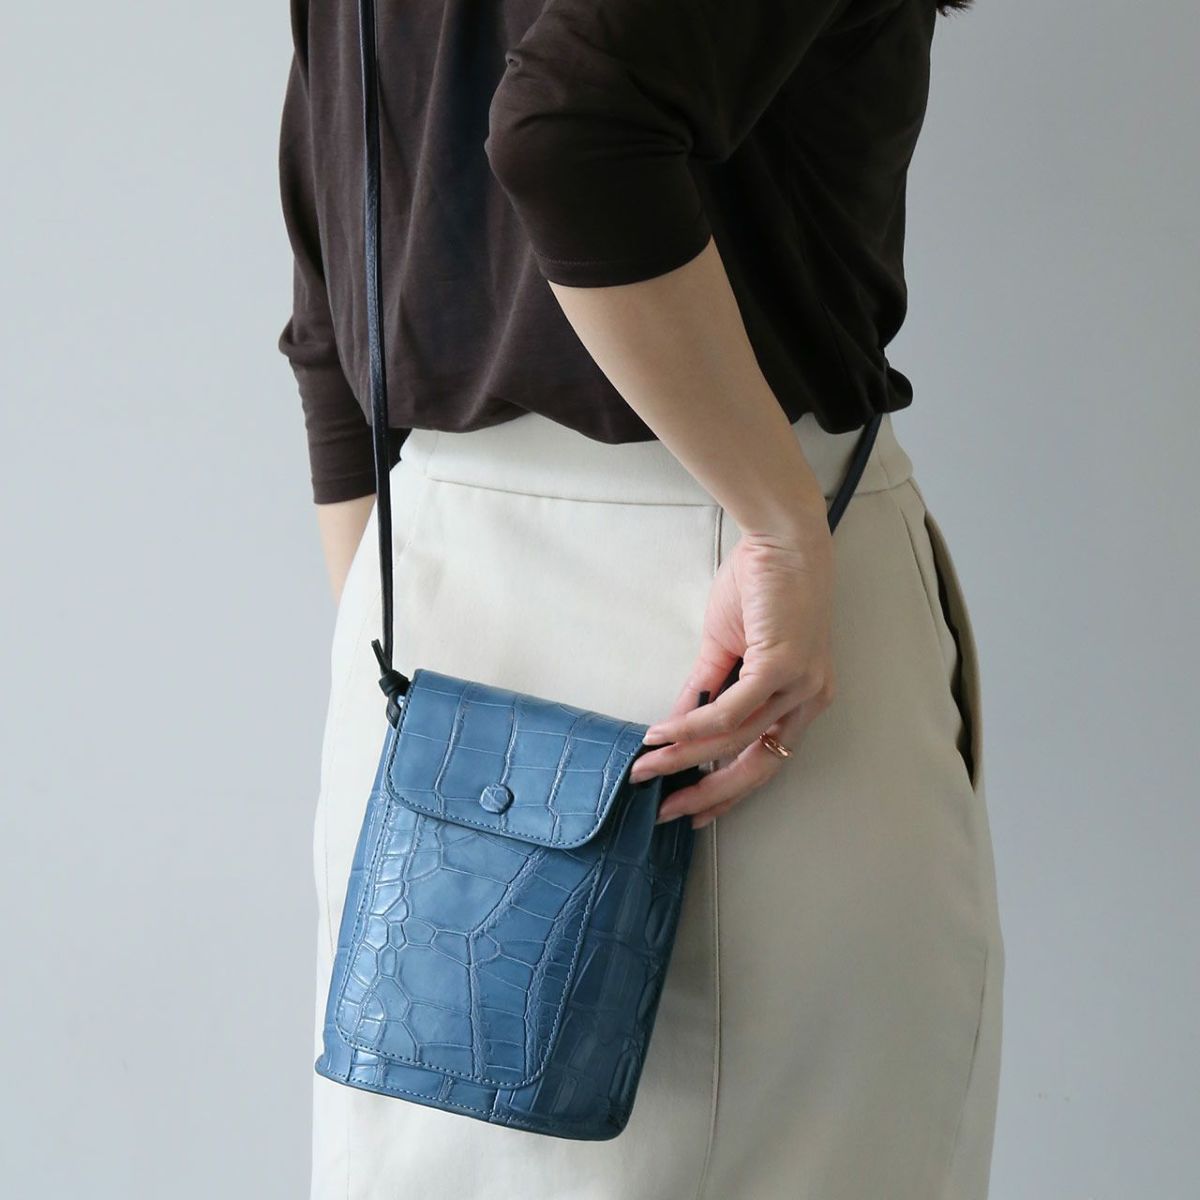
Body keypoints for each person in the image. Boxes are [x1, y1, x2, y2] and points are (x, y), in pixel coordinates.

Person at [276, 0, 1005, 1196]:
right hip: (725, 621)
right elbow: (573, 130)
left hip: (424, 626)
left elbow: (331, 308)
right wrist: (778, 525)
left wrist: (379, 632)